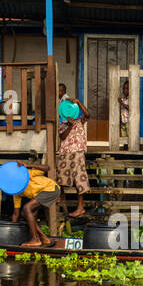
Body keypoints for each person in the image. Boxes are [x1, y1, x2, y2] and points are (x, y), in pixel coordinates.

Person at [55, 83, 89, 218]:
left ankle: (80, 207)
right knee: (60, 174)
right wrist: (69, 125)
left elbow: (88, 114)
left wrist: (78, 102)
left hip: (78, 150)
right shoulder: (63, 121)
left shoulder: (79, 119)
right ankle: (61, 195)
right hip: (65, 150)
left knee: (78, 178)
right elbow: (62, 136)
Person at [12, 160, 60, 247]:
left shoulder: (28, 174)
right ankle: (44, 238)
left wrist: (29, 165)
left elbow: (47, 168)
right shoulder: (16, 191)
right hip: (42, 194)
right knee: (24, 213)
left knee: (27, 208)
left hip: (51, 189)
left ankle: (35, 239)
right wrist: (11, 231)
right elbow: (16, 213)